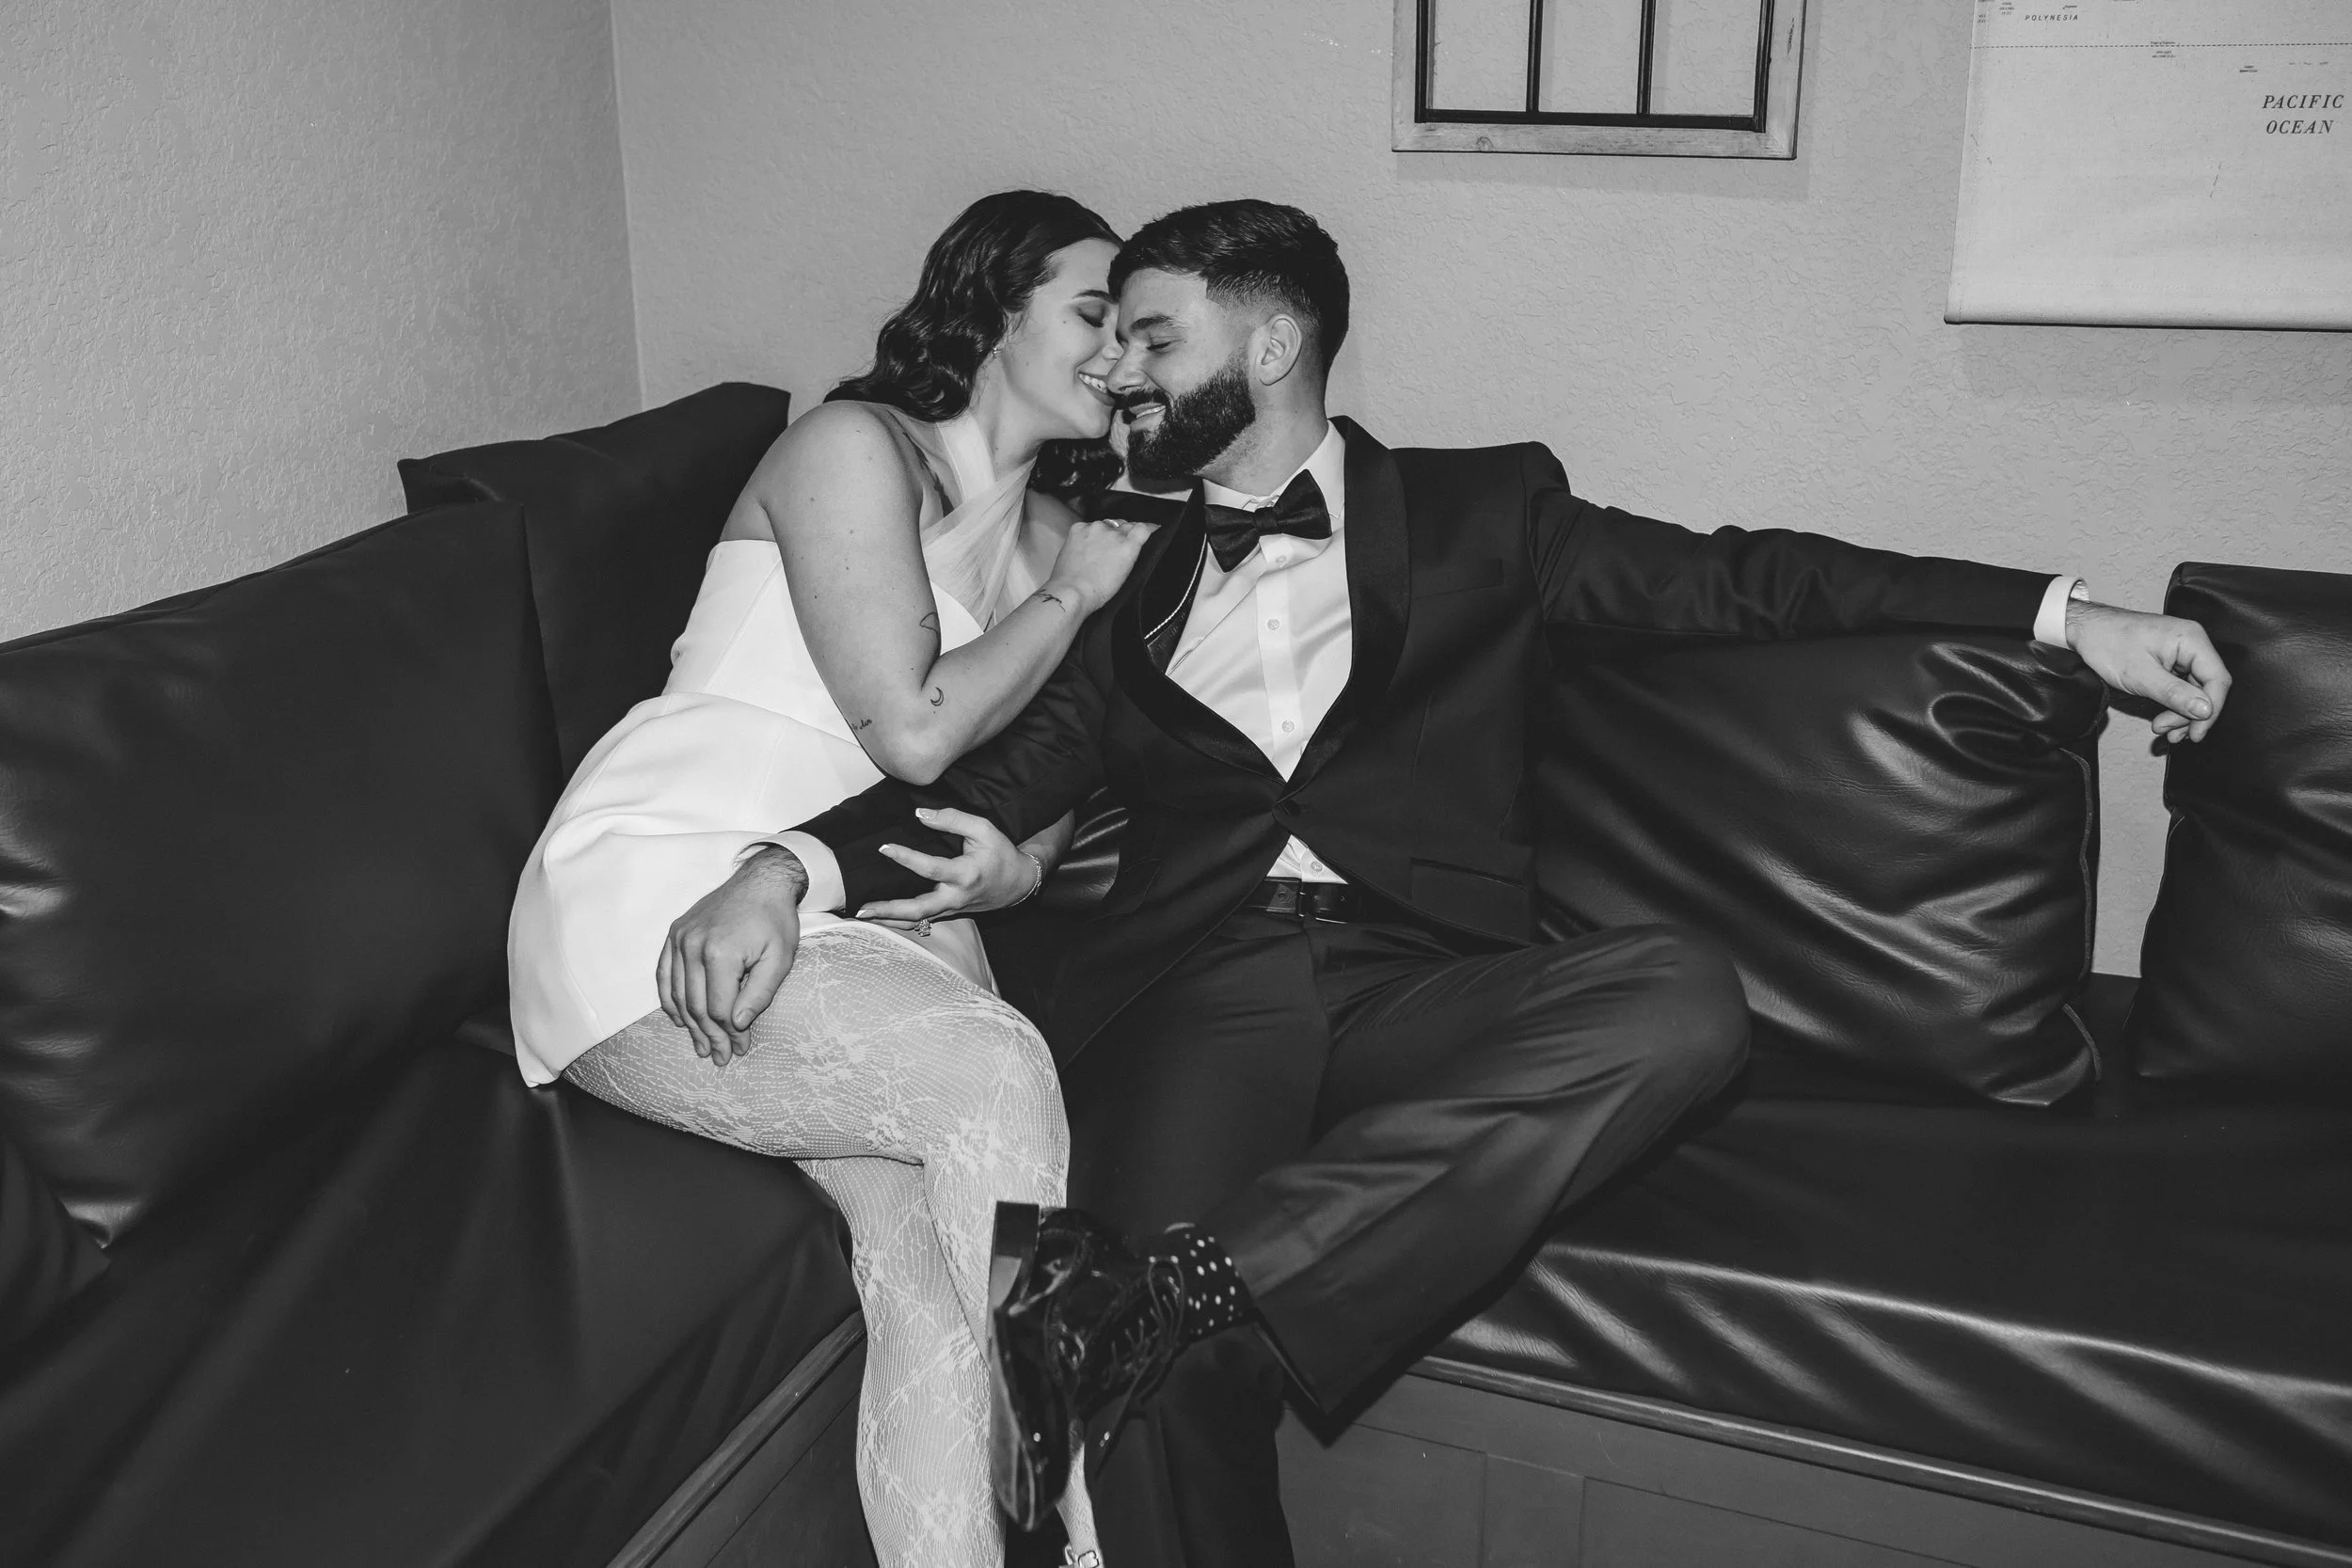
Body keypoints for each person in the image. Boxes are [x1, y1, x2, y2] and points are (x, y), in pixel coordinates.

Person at [664, 200, 2234, 1568]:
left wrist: (2065, 616)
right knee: (1142, 1377)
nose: (1118, 371)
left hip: (1426, 979)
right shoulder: (1117, 566)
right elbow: (988, 780)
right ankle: (1182, 1317)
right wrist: (784, 870)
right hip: (1192, 993)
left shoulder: (1490, 513)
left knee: (1681, 994)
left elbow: (1754, 577)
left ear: (1271, 344)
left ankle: (1222, 1284)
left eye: (1152, 333)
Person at [505, 190, 1163, 1568]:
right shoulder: (850, 445)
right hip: (663, 878)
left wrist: (1017, 868)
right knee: (997, 1070)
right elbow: (914, 726)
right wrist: (1074, 600)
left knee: (922, 1279)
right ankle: (1098, 1525)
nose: (1124, 354)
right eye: (1095, 314)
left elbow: (1052, 776)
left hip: (844, 920)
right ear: (993, 303)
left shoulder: (1058, 533)